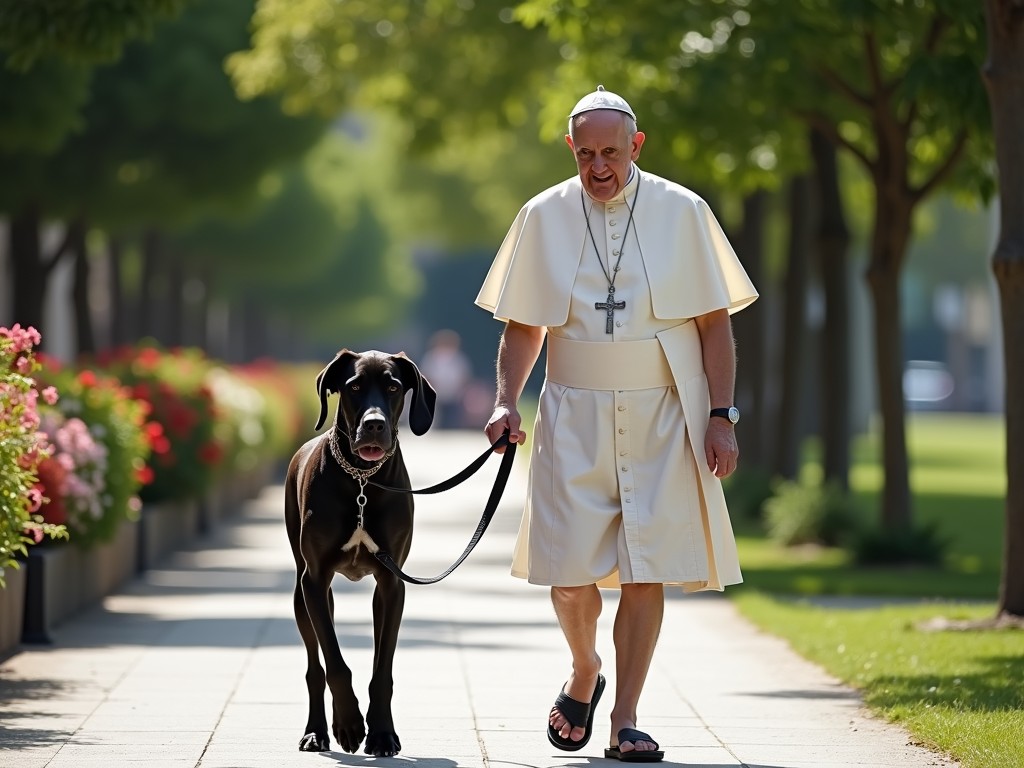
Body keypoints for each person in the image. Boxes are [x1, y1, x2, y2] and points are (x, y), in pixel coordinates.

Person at [475, 85, 757, 762]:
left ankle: (625, 717)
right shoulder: (542, 216)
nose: (599, 167)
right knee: (568, 575)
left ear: (637, 145)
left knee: (644, 568)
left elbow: (713, 326)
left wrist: (721, 418)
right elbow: (523, 326)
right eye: (586, 154)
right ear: (570, 148)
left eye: (611, 152)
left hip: (664, 413)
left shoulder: (683, 211)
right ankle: (584, 669)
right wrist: (506, 400)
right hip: (572, 413)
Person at [419, 329, 473, 429]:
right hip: (436, 394)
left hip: (453, 395)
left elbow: (464, 376)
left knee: (452, 421)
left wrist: (460, 390)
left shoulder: (459, 358)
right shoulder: (431, 357)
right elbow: (426, 375)